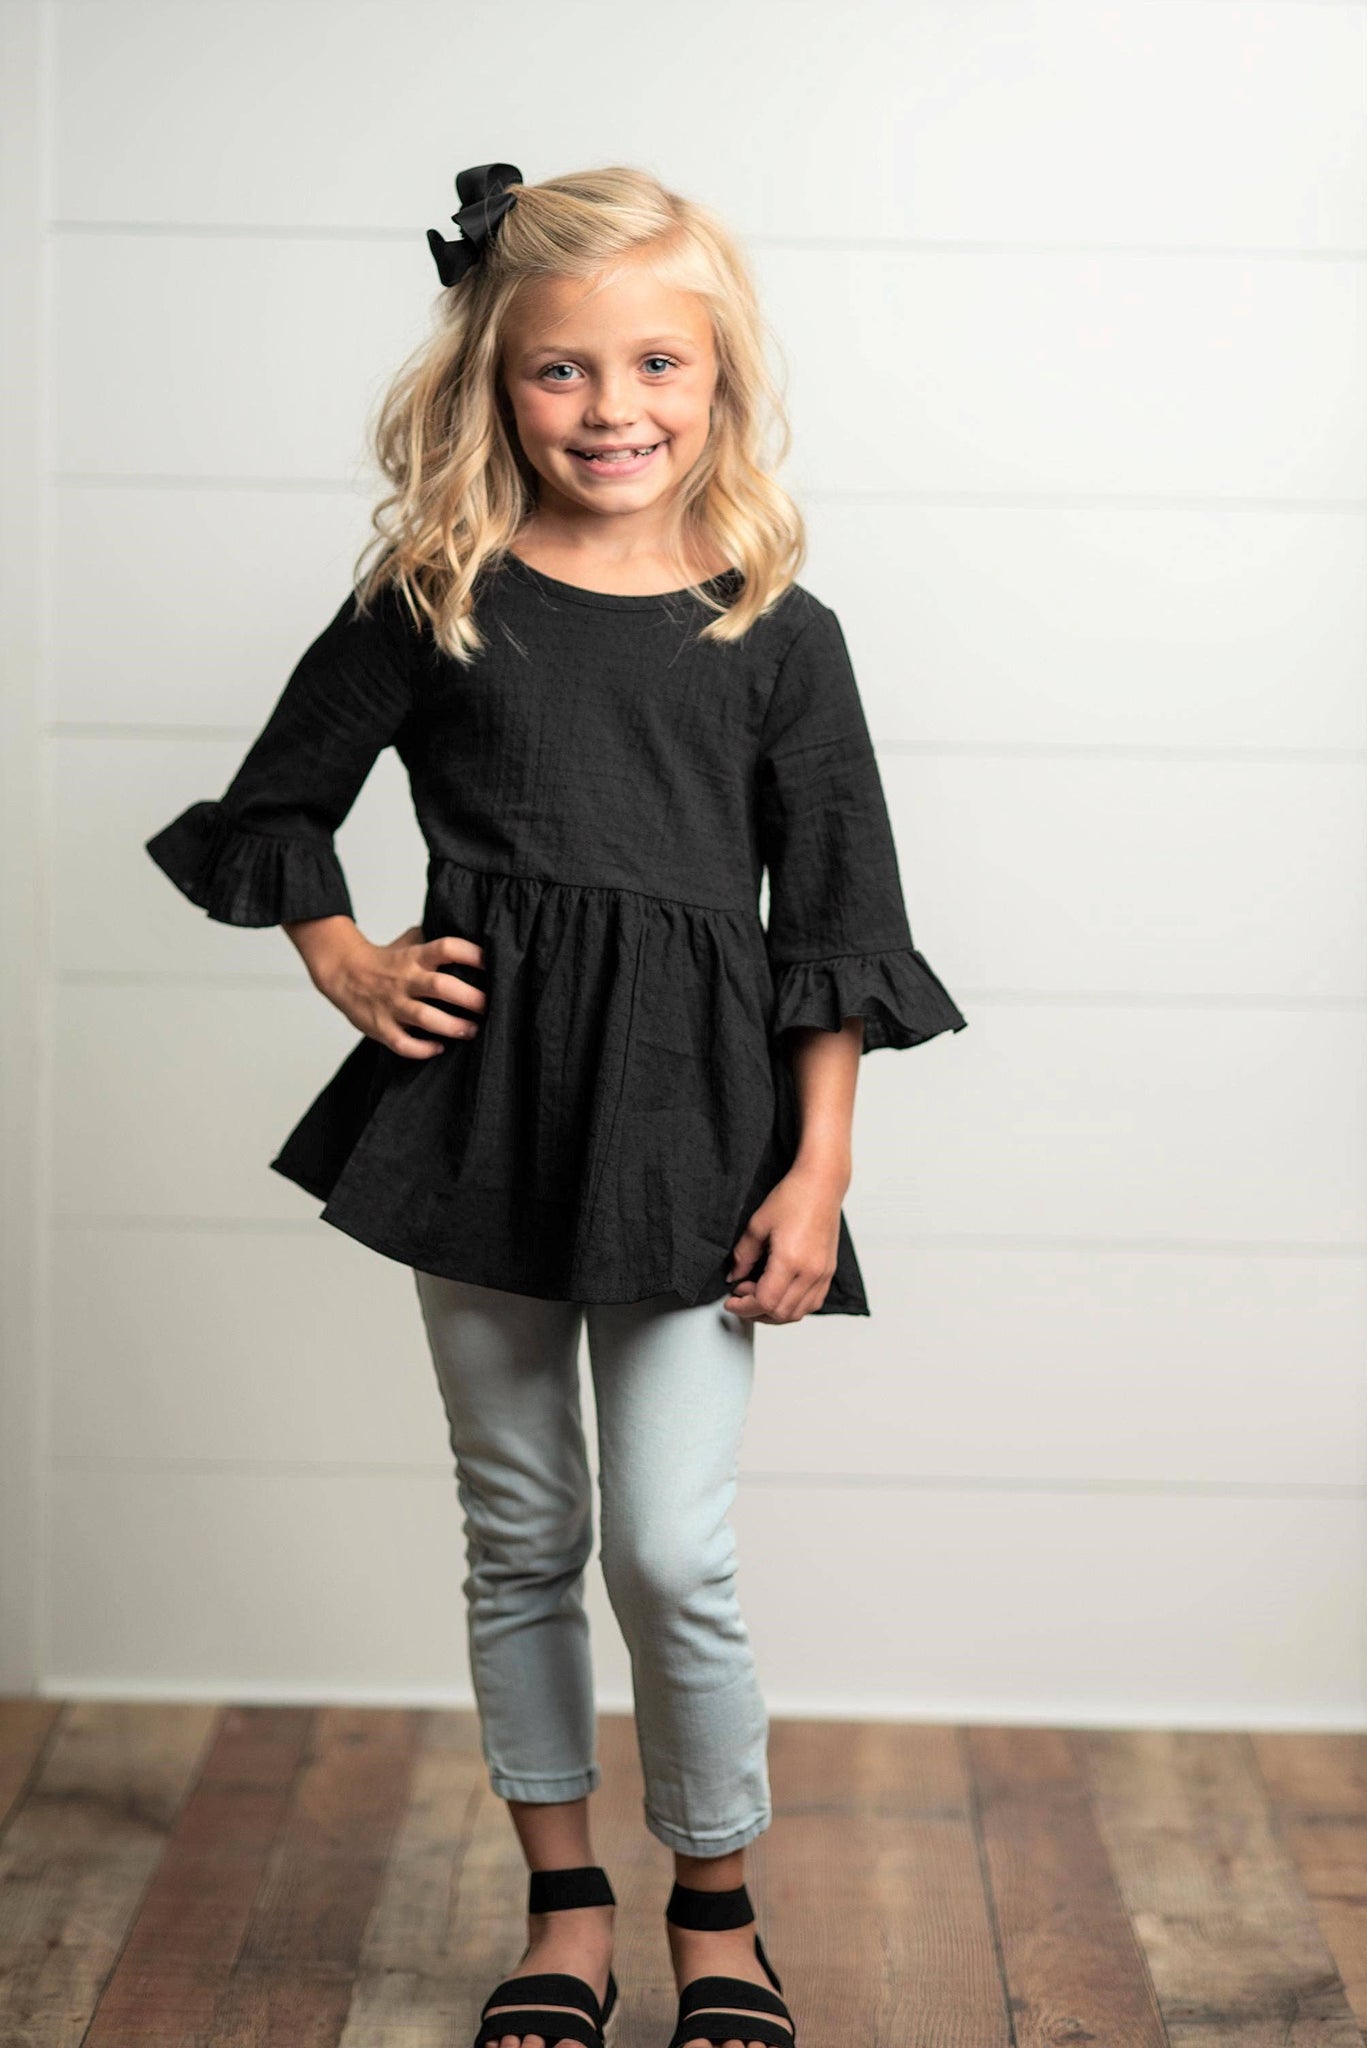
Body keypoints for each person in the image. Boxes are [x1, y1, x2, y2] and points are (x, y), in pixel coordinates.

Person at [145, 161, 967, 2048]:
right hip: (483, 1120)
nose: (612, 409)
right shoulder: (433, 597)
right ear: (492, 382)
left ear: (719, 375)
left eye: (656, 362)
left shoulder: (779, 630)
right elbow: (275, 810)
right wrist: (346, 961)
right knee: (521, 1531)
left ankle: (718, 1909)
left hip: (693, 1130)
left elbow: (837, 927)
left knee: (671, 1547)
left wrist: (820, 1172)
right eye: (561, 369)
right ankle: (566, 1909)